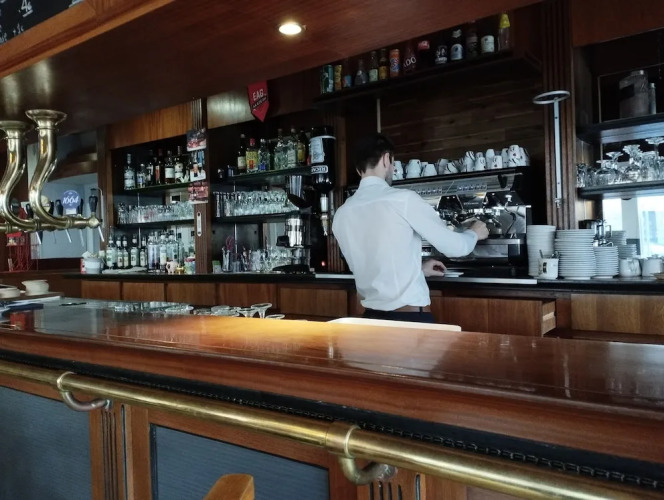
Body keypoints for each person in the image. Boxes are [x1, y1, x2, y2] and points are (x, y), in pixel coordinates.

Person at [332, 134, 489, 323]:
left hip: (371, 319)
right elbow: (455, 247)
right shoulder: (402, 199)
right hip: (410, 318)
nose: (393, 168)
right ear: (386, 159)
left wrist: (418, 270)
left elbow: (371, 267)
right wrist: (474, 233)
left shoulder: (341, 214)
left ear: (359, 169)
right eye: (393, 163)